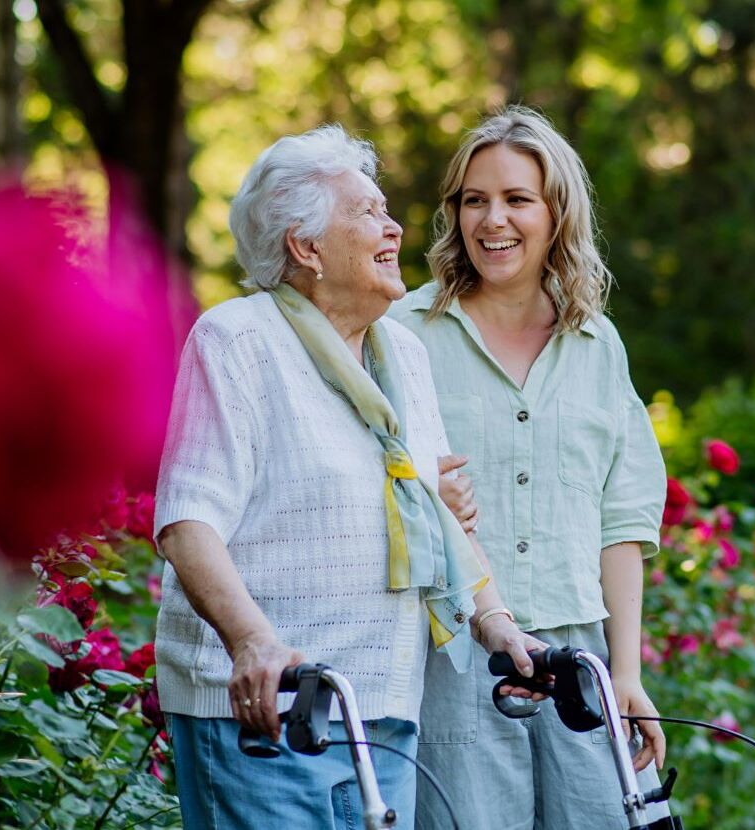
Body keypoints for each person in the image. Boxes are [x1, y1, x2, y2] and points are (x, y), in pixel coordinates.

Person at [152, 124, 544, 830]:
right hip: (270, 714)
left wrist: (499, 625)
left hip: (384, 709)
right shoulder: (239, 340)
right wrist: (252, 641)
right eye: (368, 213)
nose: (394, 226)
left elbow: (433, 515)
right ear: (306, 247)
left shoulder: (403, 354)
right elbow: (187, 522)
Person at [389, 105, 670, 829]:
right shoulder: (401, 336)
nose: (493, 221)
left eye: (517, 199)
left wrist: (627, 676)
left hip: (580, 659)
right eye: (474, 200)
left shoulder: (597, 343)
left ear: (556, 213)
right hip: (455, 658)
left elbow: (623, 520)